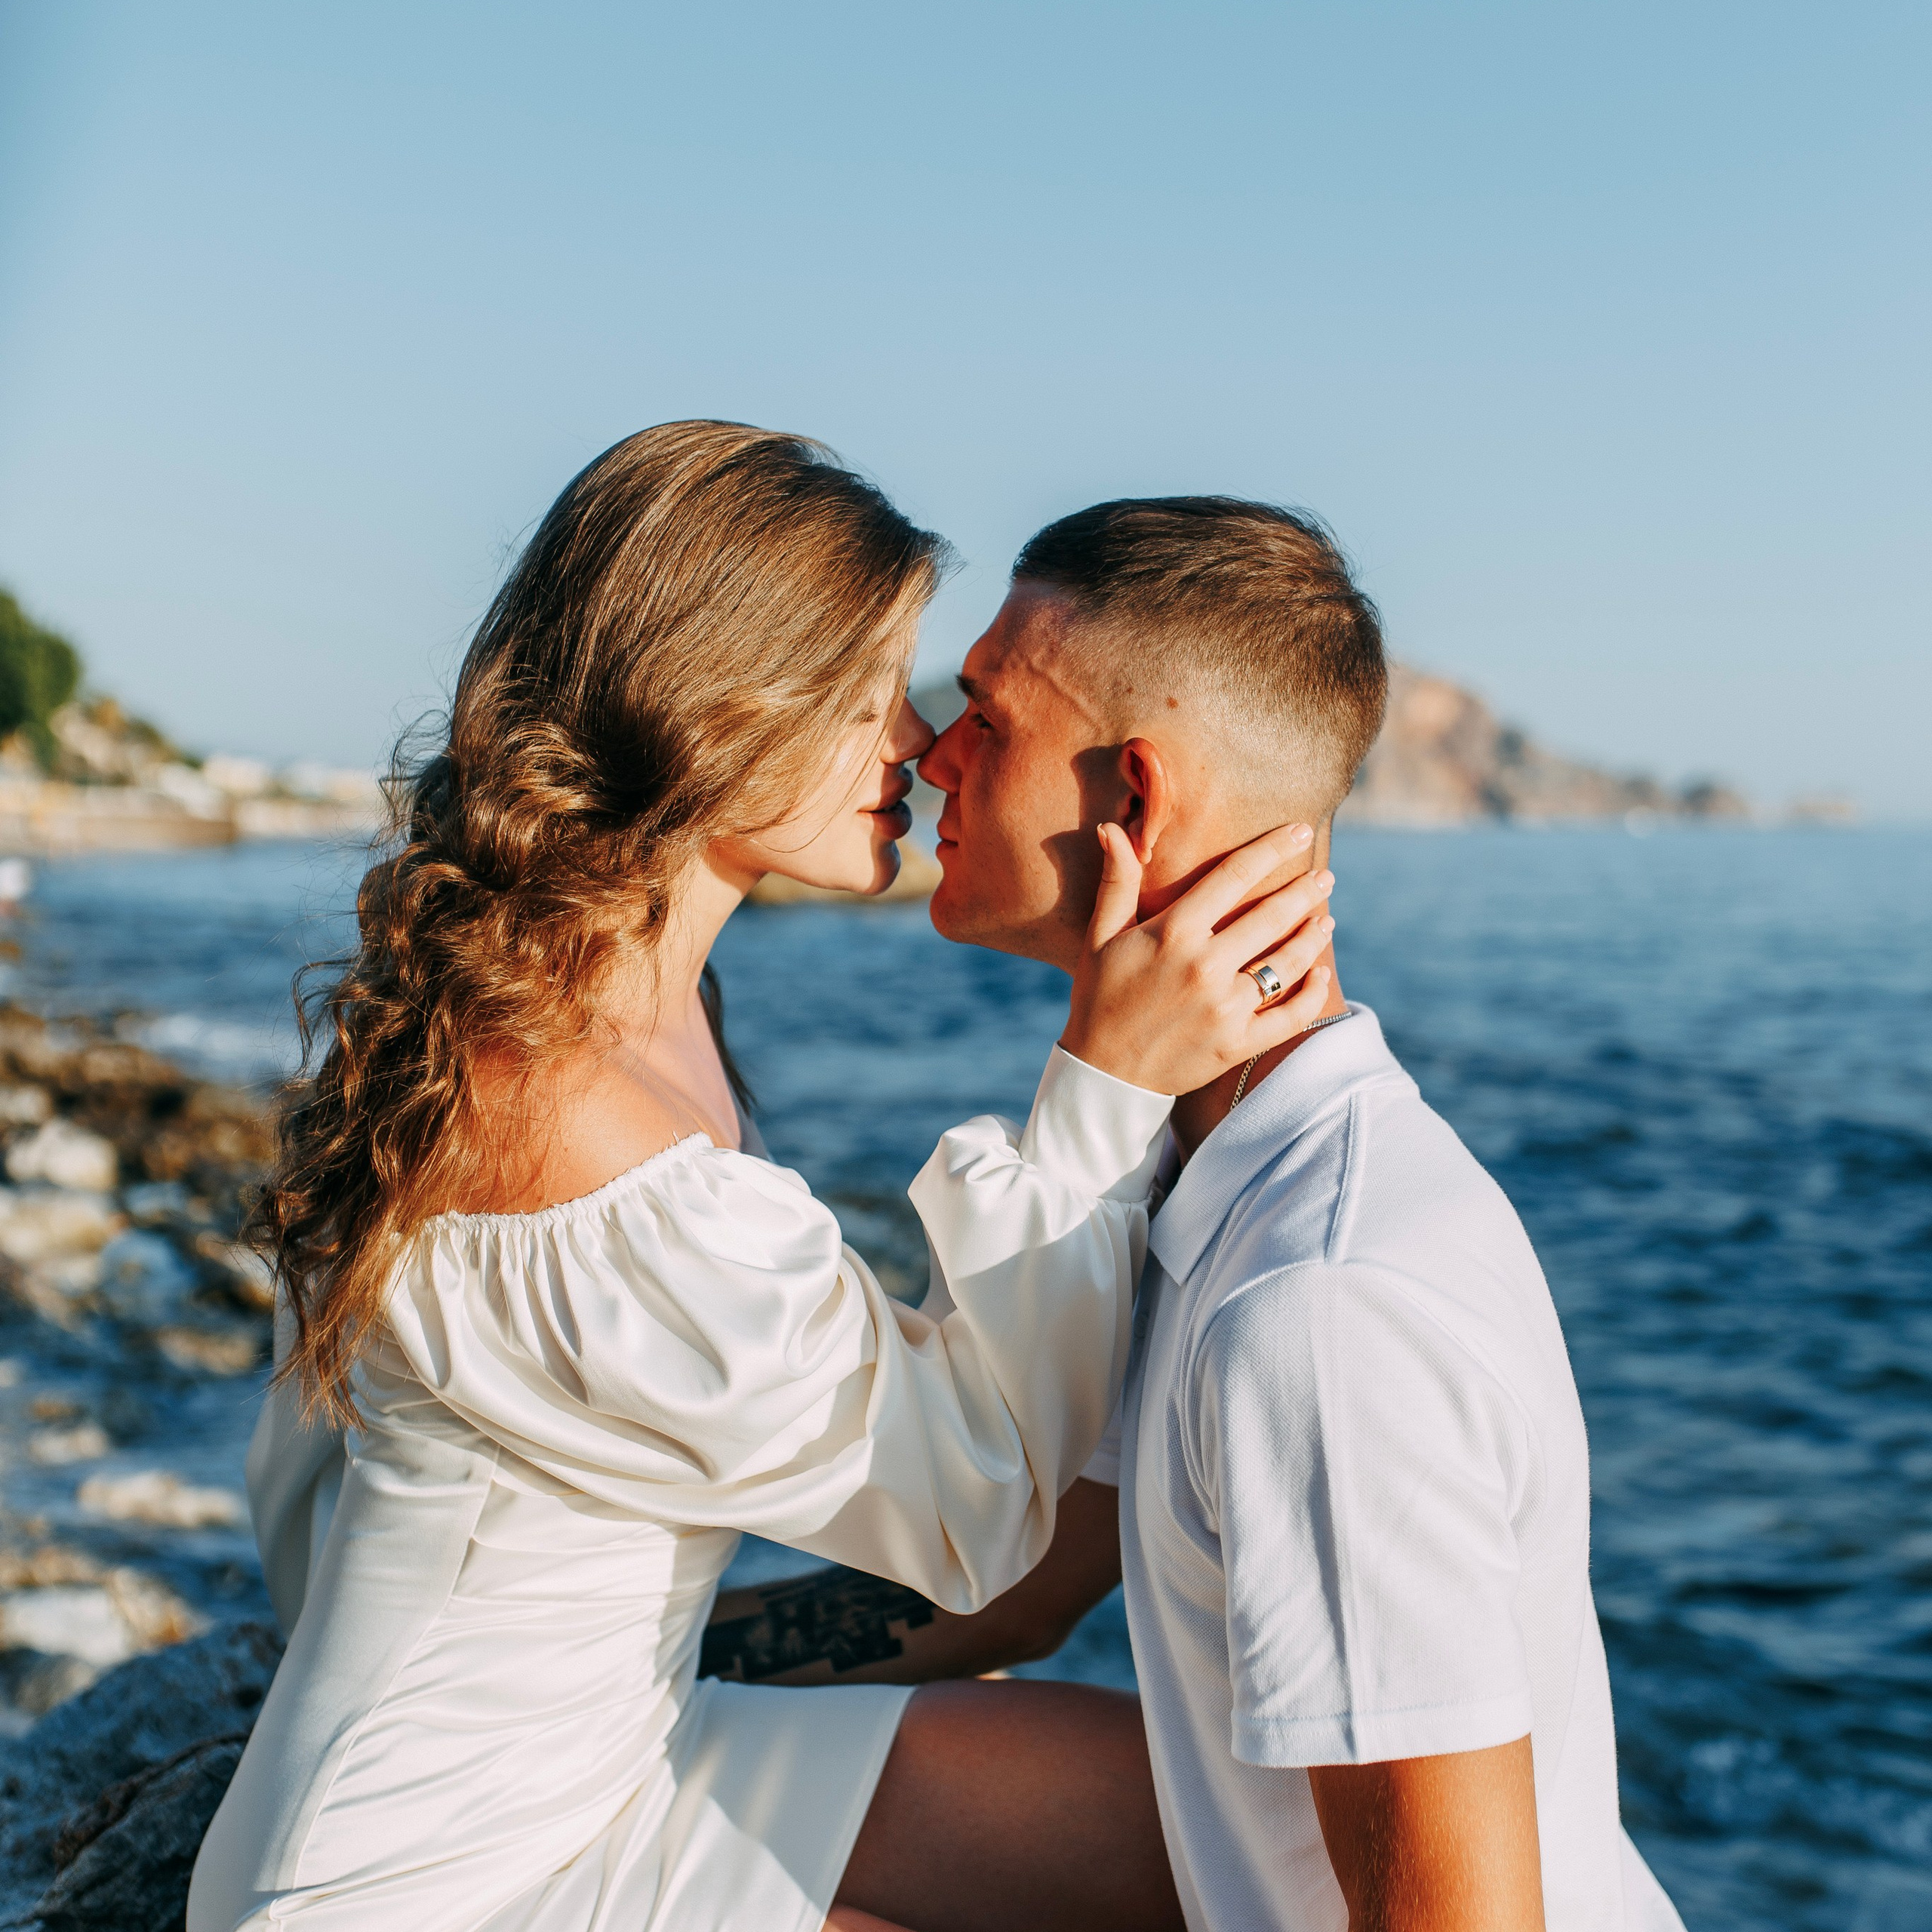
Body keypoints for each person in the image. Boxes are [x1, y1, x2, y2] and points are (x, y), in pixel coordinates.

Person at [187, 426, 1340, 1932]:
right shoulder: (573, 1127)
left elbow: (307, 1478)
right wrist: (1106, 1083)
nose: (917, 742)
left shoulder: (589, 999)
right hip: (433, 1880)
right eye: (870, 693)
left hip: (621, 1748)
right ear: (717, 705)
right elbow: (972, 1510)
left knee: (1227, 1836)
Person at [703, 497, 1686, 1931]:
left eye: (987, 716)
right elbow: (1018, 1592)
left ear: (1135, 803)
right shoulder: (1204, 1175)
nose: (933, 754)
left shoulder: (1320, 1309)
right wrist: (639, 1663)